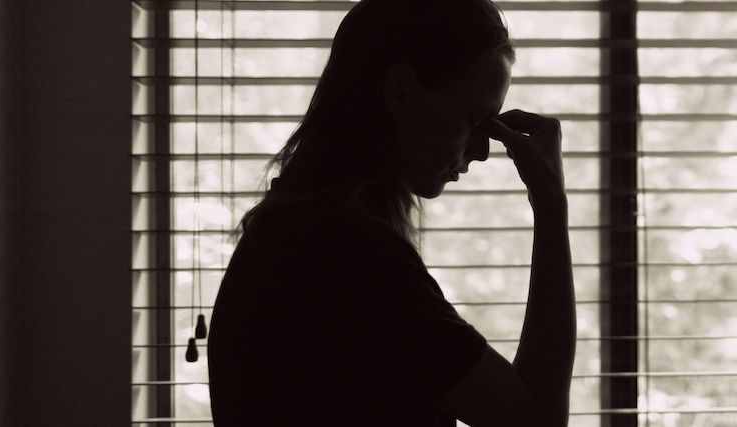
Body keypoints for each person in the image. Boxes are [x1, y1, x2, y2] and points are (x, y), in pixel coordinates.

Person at [205, 0, 574, 425]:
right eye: (476, 119)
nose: (482, 151)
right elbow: (538, 421)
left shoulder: (297, 230)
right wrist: (550, 203)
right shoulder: (350, 257)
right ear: (401, 91)